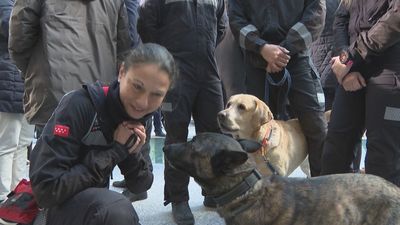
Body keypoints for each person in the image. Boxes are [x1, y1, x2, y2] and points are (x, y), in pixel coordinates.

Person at [28, 43, 178, 225]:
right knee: (116, 211)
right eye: (137, 86)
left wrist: (131, 153)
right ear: (122, 72)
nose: (142, 102)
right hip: (50, 213)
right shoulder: (80, 106)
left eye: (156, 95)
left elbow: (140, 185)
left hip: (93, 209)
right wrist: (115, 151)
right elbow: (46, 191)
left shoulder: (140, 118)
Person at [138, 0, 227, 224]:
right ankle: (178, 198)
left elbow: (221, 27)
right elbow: (147, 24)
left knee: (214, 135)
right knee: (176, 136)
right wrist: (166, 59)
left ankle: (211, 190)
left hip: (208, 71)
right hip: (176, 73)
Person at [229, 0, 327, 176]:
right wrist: (262, 48)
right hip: (256, 61)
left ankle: (322, 188)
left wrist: (282, 52)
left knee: (316, 126)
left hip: (297, 59)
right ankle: (254, 190)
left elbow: (315, 17)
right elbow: (236, 20)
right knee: (251, 129)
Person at [8, 0, 132, 137]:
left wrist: (34, 71)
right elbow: (123, 49)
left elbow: (19, 40)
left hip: (53, 92)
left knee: (52, 153)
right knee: (96, 153)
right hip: (100, 96)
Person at [321, 0, 400, 186]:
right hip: (352, 67)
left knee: (383, 159)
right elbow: (340, 19)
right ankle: (335, 212)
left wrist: (349, 58)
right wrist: (345, 64)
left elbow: (394, 20)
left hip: (390, 71)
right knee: (335, 152)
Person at [309, 0, 362, 173]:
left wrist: (347, 65)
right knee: (334, 141)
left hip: (345, 74)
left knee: (345, 138)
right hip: (325, 73)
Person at [0, 0, 34, 202]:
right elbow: (10, 27)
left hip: (26, 84)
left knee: (23, 144)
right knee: (7, 144)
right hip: (9, 81)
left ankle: (18, 194)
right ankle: (3, 196)